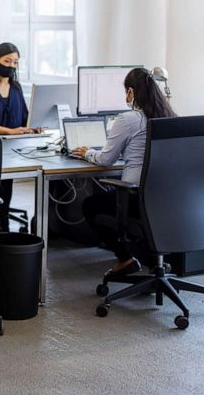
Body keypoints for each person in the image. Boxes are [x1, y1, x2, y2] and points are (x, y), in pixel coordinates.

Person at [71, 67, 177, 278]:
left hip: (136, 200)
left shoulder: (129, 119)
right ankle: (152, 264)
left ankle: (126, 259)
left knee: (91, 205)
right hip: (167, 201)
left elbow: (105, 160)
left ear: (131, 92)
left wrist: (87, 152)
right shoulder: (170, 117)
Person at [0, 42, 42, 232]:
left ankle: (4, 223)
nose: (11, 65)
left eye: (15, 62)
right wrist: (10, 131)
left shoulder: (16, 88)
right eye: (7, 61)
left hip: (15, 146)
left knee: (8, 182)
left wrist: (31, 127)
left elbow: (24, 117)